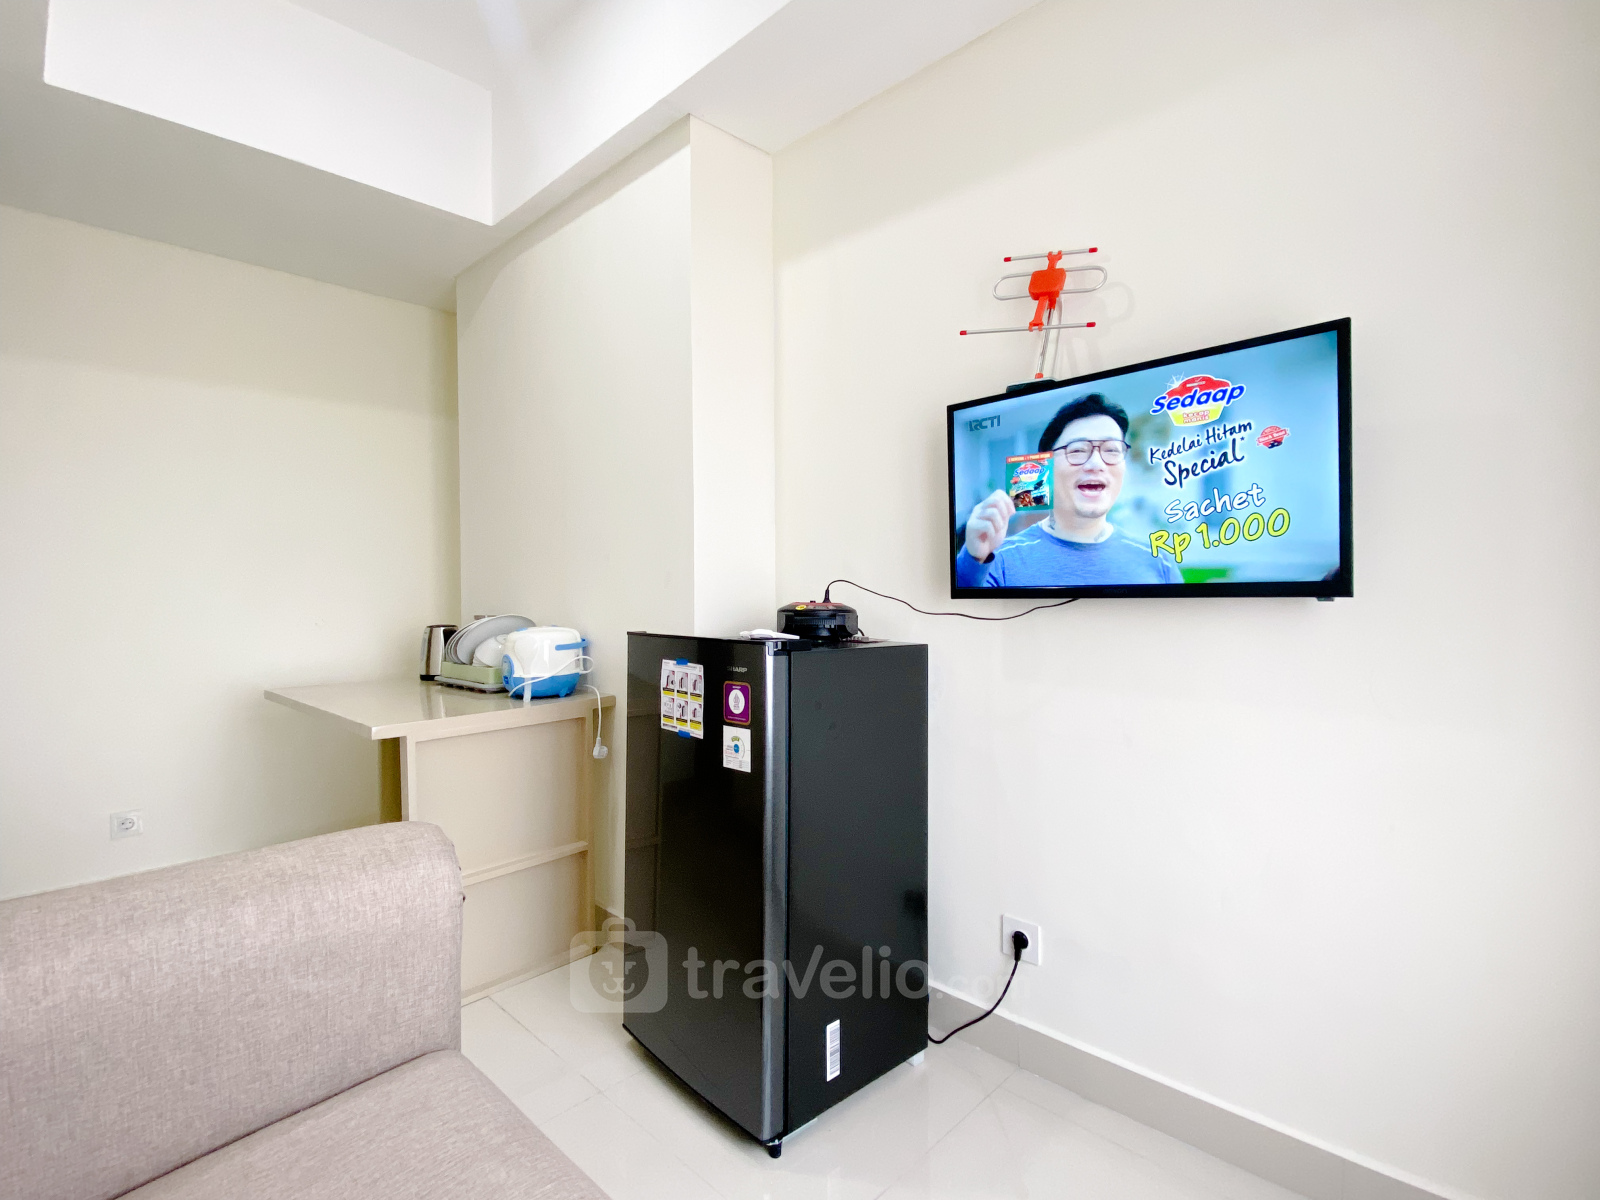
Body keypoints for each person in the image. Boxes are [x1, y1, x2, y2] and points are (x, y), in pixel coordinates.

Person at [955, 393, 1181, 587]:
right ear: (1045, 466)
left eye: (1112, 450)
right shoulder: (997, 561)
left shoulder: (1159, 563)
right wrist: (973, 559)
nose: (1096, 464)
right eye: (1077, 450)